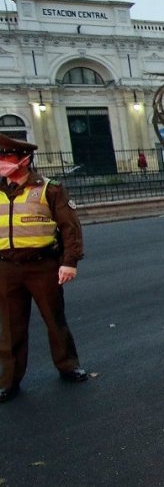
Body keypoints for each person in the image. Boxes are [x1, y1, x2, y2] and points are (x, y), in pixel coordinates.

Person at [0, 134, 88, 403]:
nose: (3, 163)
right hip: (6, 268)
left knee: (54, 319)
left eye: (7, 158)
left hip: (42, 265)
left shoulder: (50, 189)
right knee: (10, 326)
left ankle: (68, 365)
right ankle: (9, 380)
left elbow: (69, 228)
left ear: (24, 160)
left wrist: (69, 262)